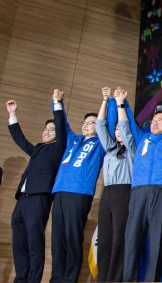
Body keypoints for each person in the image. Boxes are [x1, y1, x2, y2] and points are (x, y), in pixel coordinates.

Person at [6, 94, 66, 283]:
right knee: (19, 244)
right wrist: (12, 114)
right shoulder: (38, 149)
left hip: (38, 199)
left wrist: (57, 104)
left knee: (34, 244)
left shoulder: (58, 148)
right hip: (22, 200)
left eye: (51, 129)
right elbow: (20, 140)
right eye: (45, 129)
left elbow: (61, 127)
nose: (47, 132)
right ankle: (21, 279)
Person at [49, 89, 107, 283]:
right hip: (59, 192)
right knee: (57, 240)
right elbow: (61, 125)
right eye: (84, 122)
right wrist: (58, 103)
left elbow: (104, 123)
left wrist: (106, 102)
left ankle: (69, 279)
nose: (86, 125)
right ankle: (56, 279)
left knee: (72, 239)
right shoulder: (73, 140)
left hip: (79, 194)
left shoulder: (100, 143)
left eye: (91, 123)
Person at [119, 96, 162, 282]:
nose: (155, 123)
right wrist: (122, 103)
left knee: (156, 240)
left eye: (161, 120)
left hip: (161, 191)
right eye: (153, 120)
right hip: (139, 191)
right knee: (131, 238)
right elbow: (127, 124)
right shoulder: (143, 138)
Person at [95, 87, 135, 282]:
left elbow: (126, 130)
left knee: (119, 238)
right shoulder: (111, 149)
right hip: (108, 193)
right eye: (116, 128)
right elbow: (99, 126)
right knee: (104, 239)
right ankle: (102, 277)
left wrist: (120, 104)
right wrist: (105, 100)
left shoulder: (133, 149)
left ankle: (115, 279)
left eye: (121, 128)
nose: (119, 131)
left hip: (124, 193)